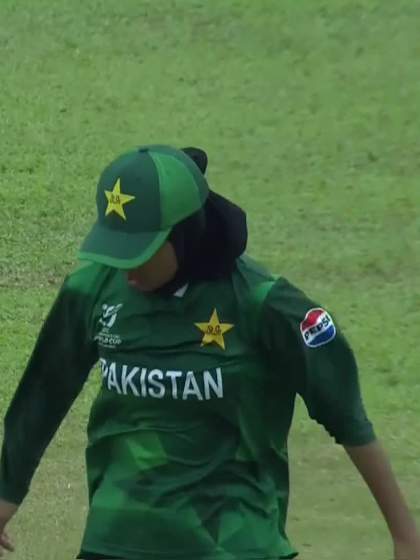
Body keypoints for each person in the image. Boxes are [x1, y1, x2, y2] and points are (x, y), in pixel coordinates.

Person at [0, 144, 419, 560]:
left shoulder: (264, 304)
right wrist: (6, 494)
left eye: (141, 251)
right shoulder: (93, 290)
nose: (127, 268)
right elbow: (43, 394)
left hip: (237, 545)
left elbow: (347, 416)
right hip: (115, 543)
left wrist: (405, 535)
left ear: (185, 234)